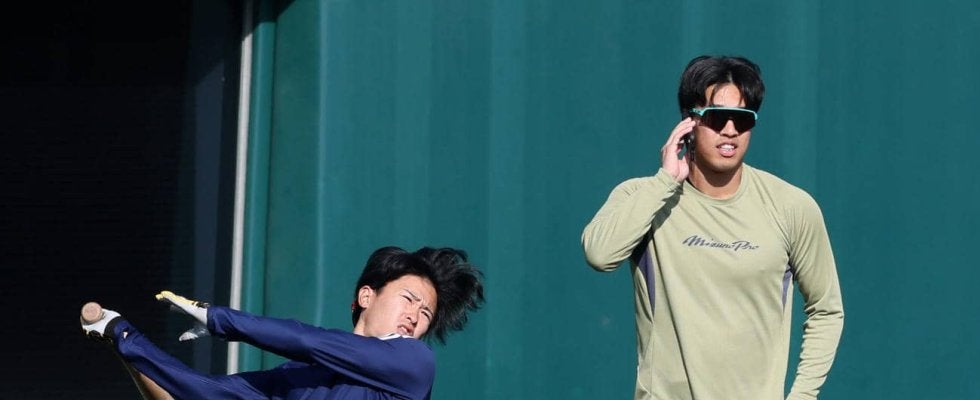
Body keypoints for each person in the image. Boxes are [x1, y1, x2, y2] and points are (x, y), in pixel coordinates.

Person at [581, 55, 844, 400]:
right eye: (717, 117)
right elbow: (599, 254)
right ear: (689, 122)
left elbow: (826, 309)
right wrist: (664, 182)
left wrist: (802, 396)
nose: (730, 130)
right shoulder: (643, 197)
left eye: (743, 119)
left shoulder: (792, 207)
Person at [80, 246, 485, 400]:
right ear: (367, 296)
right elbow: (201, 393)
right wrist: (122, 335)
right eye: (409, 299)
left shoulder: (414, 364)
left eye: (426, 314)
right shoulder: (297, 379)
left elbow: (310, 341)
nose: (415, 316)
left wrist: (218, 318)